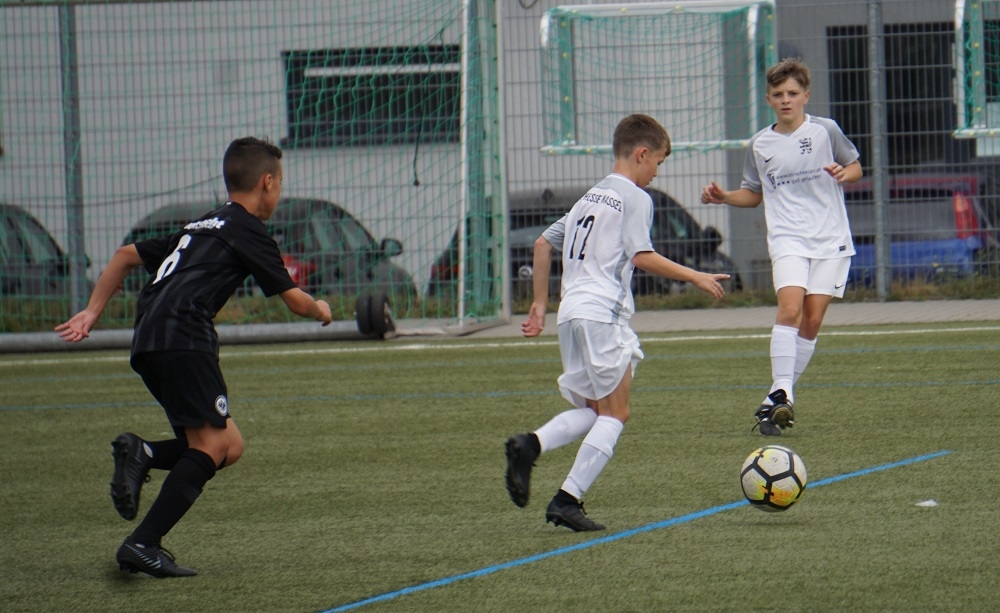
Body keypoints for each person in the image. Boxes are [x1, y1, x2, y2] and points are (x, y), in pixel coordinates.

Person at [55, 136, 333, 577]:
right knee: (213, 444)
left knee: (229, 445)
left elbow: (125, 256)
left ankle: (143, 453)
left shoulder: (201, 225)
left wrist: (91, 312)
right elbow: (296, 301)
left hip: (149, 336)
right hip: (185, 335)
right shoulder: (248, 229)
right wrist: (322, 309)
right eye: (280, 184)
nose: (279, 193)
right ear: (267, 182)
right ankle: (142, 543)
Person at [504, 114, 729, 532]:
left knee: (595, 410)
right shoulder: (636, 197)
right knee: (616, 413)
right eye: (658, 162)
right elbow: (641, 256)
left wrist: (538, 304)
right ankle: (567, 499)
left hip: (570, 314)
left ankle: (530, 444)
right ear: (642, 154)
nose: (656, 172)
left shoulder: (588, 198)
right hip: (602, 313)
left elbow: (542, 243)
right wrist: (696, 275)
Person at [700, 58, 863, 436]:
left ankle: (774, 399)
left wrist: (844, 173)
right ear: (769, 99)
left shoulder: (825, 130)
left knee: (812, 321)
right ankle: (781, 393)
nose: (785, 100)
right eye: (778, 94)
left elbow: (855, 167)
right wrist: (725, 196)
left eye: (792, 93)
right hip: (788, 239)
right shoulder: (761, 144)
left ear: (806, 95)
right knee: (790, 309)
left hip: (831, 239)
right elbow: (753, 194)